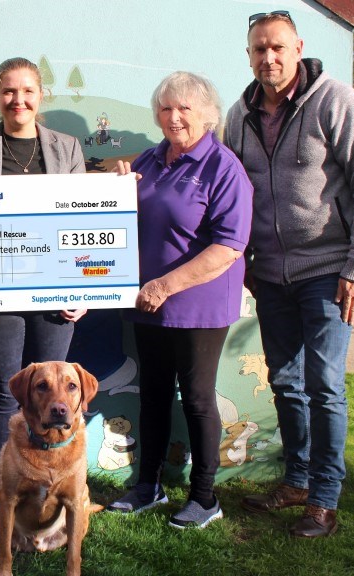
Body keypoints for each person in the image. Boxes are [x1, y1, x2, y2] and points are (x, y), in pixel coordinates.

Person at [223, 11, 354, 538]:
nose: (267, 58)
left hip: (328, 269)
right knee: (286, 383)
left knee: (324, 386)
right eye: (257, 50)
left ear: (298, 48)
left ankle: (325, 498)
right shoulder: (238, 115)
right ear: (248, 55)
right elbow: (228, 187)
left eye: (276, 47)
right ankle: (295, 480)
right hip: (269, 274)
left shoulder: (335, 100)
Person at [105, 72, 252, 530]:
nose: (174, 117)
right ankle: (147, 485)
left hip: (197, 305)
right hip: (147, 303)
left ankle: (205, 497)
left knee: (198, 400)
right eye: (166, 108)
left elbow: (228, 247)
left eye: (185, 108)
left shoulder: (224, 167)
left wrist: (165, 286)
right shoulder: (148, 160)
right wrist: (113, 190)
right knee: (151, 396)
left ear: (206, 114)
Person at [0, 57, 87, 469]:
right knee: (7, 391)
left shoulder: (67, 148)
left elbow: (85, 220)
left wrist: (83, 290)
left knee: (58, 396)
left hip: (56, 292)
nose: (18, 100)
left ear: (40, 95)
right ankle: (7, 488)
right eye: (9, 91)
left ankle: (53, 482)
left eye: (27, 91)